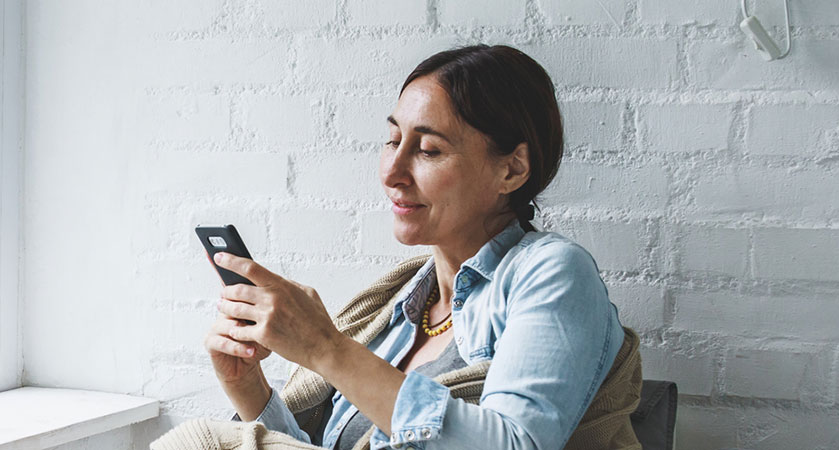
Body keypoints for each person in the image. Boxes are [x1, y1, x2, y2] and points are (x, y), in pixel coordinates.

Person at [158, 45, 644, 450]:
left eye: (429, 149)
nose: (392, 172)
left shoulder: (554, 273)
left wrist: (326, 348)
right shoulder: (403, 303)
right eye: (393, 140)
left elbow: (516, 444)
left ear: (511, 170)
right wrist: (250, 390)